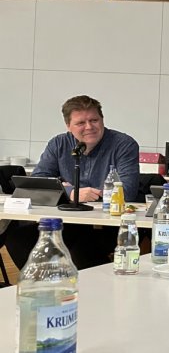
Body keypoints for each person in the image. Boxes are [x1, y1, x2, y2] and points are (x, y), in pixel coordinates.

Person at [6, 95, 141, 269]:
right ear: (68, 126)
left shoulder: (124, 144)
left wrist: (70, 190)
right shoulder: (58, 144)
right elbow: (38, 184)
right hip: (68, 221)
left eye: (94, 120)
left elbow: (127, 191)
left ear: (102, 120)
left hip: (106, 225)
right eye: (81, 123)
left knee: (82, 247)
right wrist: (71, 193)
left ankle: (85, 282)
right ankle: (43, 281)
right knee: (18, 239)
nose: (89, 127)